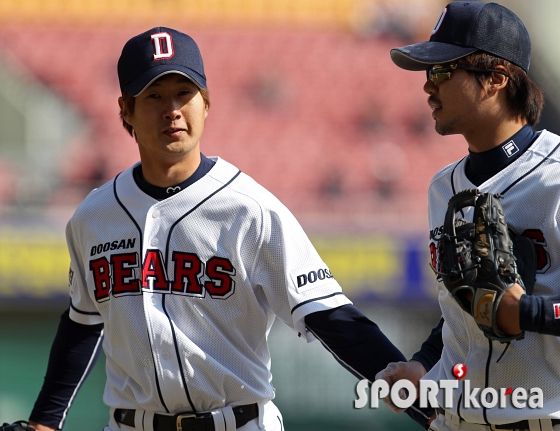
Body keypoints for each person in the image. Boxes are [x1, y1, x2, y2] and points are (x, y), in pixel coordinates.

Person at [25, 27, 422, 431]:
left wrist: (420, 402)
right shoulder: (93, 216)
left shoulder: (250, 209)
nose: (172, 109)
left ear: (207, 103)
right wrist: (45, 421)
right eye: (154, 95)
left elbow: (330, 316)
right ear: (125, 110)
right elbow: (83, 321)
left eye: (184, 92)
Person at [375, 2, 560, 431]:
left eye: (441, 70)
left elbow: (508, 309)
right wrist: (423, 364)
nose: (427, 86)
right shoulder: (443, 188)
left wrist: (528, 313)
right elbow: (465, 307)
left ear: (496, 78)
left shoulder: (554, 176)